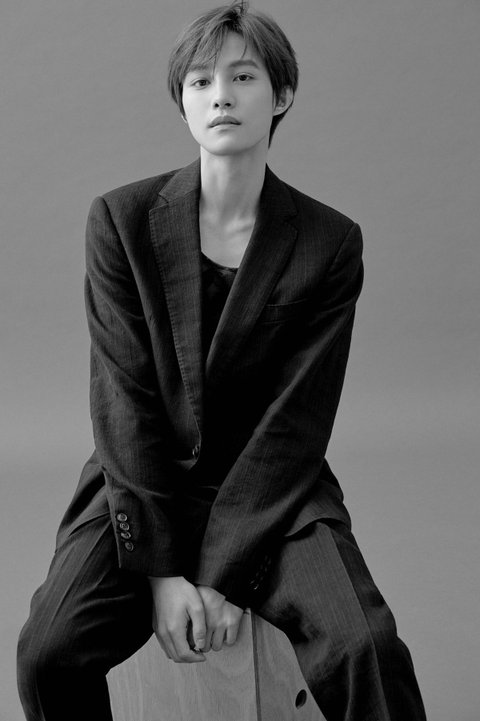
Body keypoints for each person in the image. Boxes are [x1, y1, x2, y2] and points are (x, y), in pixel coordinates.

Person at [17, 2, 427, 720]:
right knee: (47, 653)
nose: (220, 97)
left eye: (243, 77)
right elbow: (124, 403)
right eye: (201, 81)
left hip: (275, 491)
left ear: (282, 95)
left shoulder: (330, 242)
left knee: (366, 646)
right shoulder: (121, 220)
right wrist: (162, 573)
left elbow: (296, 420)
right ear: (181, 100)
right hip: (146, 483)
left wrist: (221, 576)